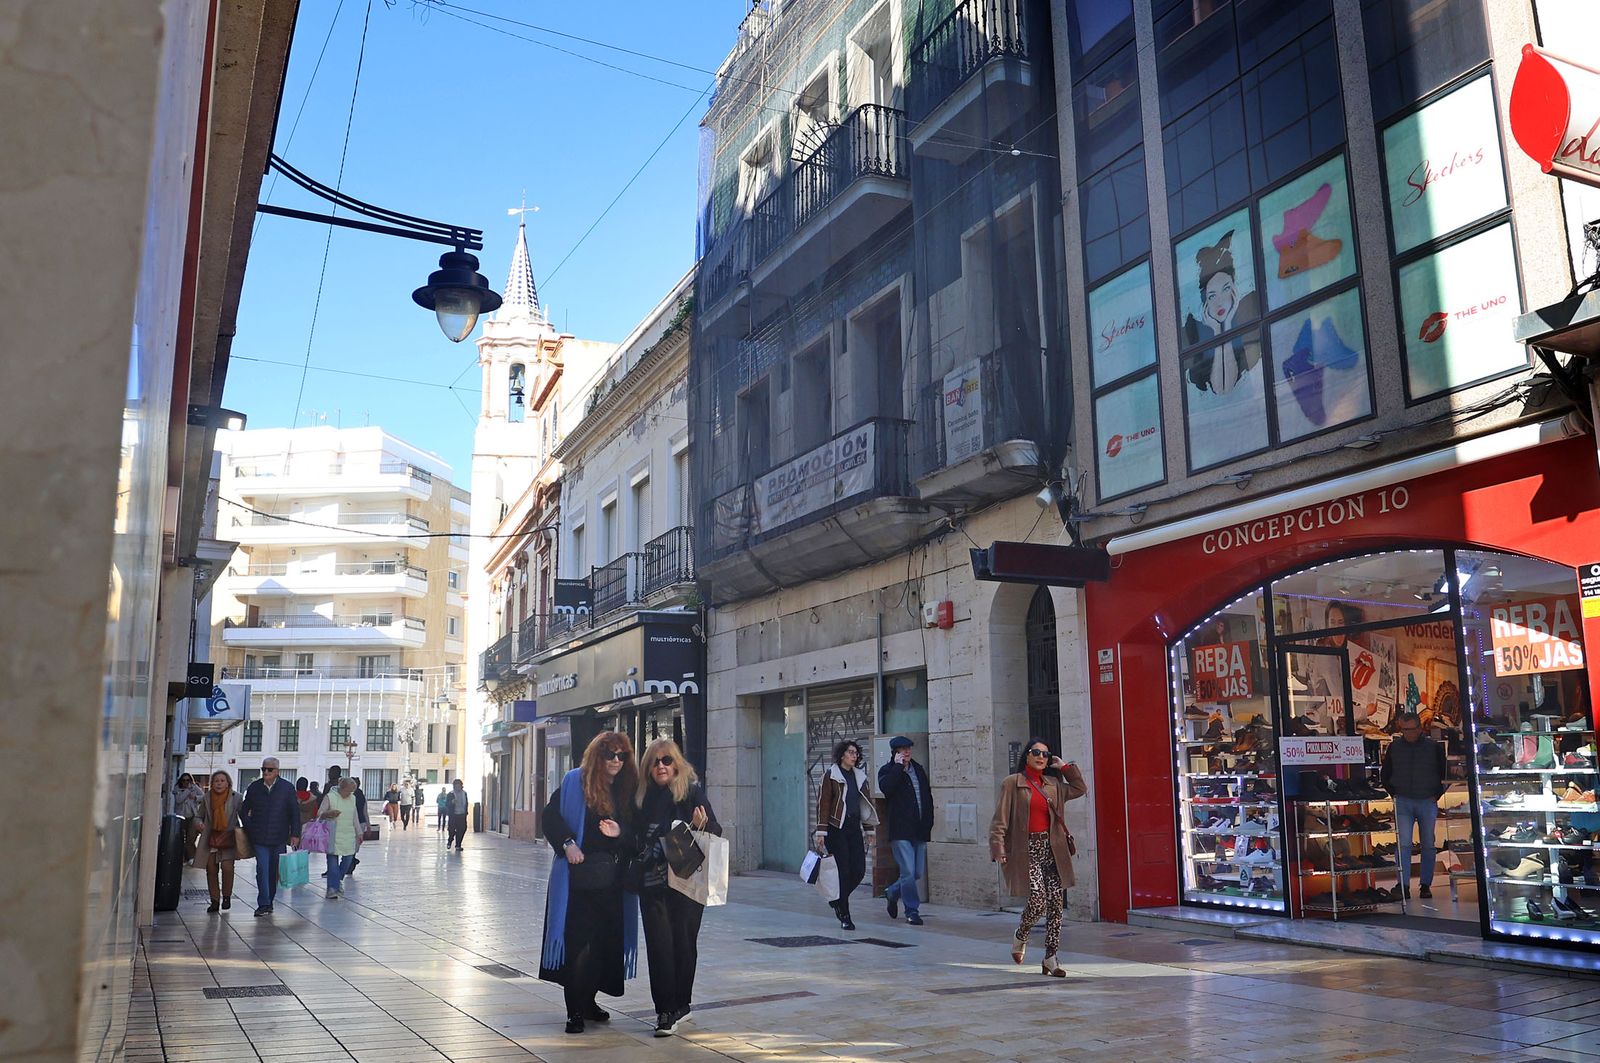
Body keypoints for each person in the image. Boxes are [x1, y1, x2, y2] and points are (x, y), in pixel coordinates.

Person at [540, 732, 640, 1035]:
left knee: (603, 945)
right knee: (578, 947)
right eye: (610, 754)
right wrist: (567, 843)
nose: (616, 761)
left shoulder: (627, 789)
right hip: (577, 881)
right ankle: (574, 1011)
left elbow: (637, 835)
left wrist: (620, 833)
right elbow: (550, 817)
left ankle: (589, 1001)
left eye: (622, 755)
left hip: (613, 883)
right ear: (598, 756)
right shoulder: (575, 782)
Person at [633, 738, 721, 1036]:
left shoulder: (691, 793)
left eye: (667, 760)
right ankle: (665, 1011)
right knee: (659, 947)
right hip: (652, 882)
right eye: (655, 762)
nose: (661, 766)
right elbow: (633, 836)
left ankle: (682, 1004)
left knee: (683, 943)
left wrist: (701, 824)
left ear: (676, 764)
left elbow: (715, 830)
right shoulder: (641, 798)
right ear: (647, 767)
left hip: (686, 883)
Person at [989, 738, 1087, 977]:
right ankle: (1021, 934)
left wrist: (1065, 768)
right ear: (1027, 755)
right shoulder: (1012, 783)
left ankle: (1051, 958)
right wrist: (998, 848)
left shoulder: (1054, 784)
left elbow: (1080, 788)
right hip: (1026, 850)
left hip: (1053, 850)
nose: (1041, 757)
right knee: (1038, 901)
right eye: (1036, 752)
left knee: (1055, 905)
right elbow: (1000, 820)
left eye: (1045, 754)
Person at [1381, 710, 1447, 899]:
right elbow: (1386, 773)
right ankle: (1403, 885)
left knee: (1428, 844)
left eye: (1411, 729)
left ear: (1419, 728)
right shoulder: (1395, 747)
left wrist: (1437, 794)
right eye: (1404, 730)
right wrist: (1394, 793)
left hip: (1427, 800)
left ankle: (1425, 884)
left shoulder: (1433, 747)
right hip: (1403, 800)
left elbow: (1445, 773)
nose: (1408, 733)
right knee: (1403, 845)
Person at [813, 738, 878, 931]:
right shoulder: (831, 775)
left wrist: (869, 829)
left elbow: (865, 805)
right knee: (843, 871)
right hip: (836, 829)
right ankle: (845, 915)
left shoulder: (859, 776)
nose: (854, 756)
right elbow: (823, 804)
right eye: (850, 752)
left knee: (858, 870)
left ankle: (837, 900)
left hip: (854, 827)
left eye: (856, 753)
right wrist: (821, 831)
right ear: (842, 755)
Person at [878, 735, 934, 926]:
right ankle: (912, 911)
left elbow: (927, 797)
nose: (907, 752)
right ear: (895, 752)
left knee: (916, 872)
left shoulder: (918, 769)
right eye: (903, 749)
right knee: (908, 872)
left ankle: (892, 891)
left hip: (920, 828)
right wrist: (897, 767)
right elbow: (887, 789)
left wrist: (929, 822)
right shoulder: (887, 771)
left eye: (909, 748)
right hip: (900, 830)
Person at [239, 757, 301, 917]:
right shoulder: (254, 787)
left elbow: (295, 812)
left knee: (273, 872)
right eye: (263, 769)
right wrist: (250, 827)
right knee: (262, 869)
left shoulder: (287, 788)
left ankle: (269, 901)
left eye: (269, 769)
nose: (266, 772)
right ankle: (264, 903)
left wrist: (295, 834)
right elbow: (243, 810)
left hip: (279, 837)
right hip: (259, 837)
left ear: (277, 771)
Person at [193, 770, 243, 912]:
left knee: (227, 868)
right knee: (211, 870)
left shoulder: (237, 797)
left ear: (228, 783)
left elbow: (244, 815)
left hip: (228, 838)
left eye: (222, 781)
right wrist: (199, 824)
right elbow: (198, 816)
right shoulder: (207, 798)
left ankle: (226, 896)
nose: (219, 783)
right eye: (216, 781)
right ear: (212, 784)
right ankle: (214, 901)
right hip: (211, 838)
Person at [317, 776, 364, 899]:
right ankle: (332, 889)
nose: (350, 794)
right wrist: (328, 814)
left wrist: (359, 832)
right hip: (332, 834)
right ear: (342, 788)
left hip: (348, 834)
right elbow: (319, 813)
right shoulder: (330, 797)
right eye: (348, 791)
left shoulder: (352, 798)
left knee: (348, 859)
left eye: (352, 791)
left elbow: (355, 816)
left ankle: (337, 881)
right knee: (332, 863)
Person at [175, 772, 205, 862]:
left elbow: (204, 797)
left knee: (191, 838)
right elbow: (179, 800)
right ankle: (186, 857)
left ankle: (193, 858)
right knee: (181, 838)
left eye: (188, 780)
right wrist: (187, 791)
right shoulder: (177, 789)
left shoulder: (194, 787)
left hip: (193, 816)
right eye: (184, 780)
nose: (186, 782)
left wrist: (196, 797)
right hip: (181, 817)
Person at [446, 779, 470, 851]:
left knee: (462, 829)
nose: (458, 787)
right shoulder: (450, 794)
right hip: (453, 815)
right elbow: (447, 804)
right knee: (451, 830)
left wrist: (466, 812)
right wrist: (452, 802)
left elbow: (466, 803)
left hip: (462, 814)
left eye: (459, 785)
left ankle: (458, 845)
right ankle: (450, 840)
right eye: (456, 786)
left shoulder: (464, 793)